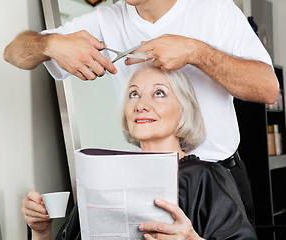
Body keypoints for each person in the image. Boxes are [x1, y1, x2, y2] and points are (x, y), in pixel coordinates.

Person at [5, 0, 280, 227]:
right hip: (145, 181)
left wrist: (195, 52)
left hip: (216, 181)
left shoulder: (214, 9)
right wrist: (49, 45)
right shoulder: (106, 20)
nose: (142, 104)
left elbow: (268, 89)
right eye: (135, 94)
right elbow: (13, 53)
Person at [21, 66, 257, 239]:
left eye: (159, 93)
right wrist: (41, 232)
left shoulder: (207, 177)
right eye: (134, 94)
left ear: (184, 110)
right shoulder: (103, 177)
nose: (141, 104)